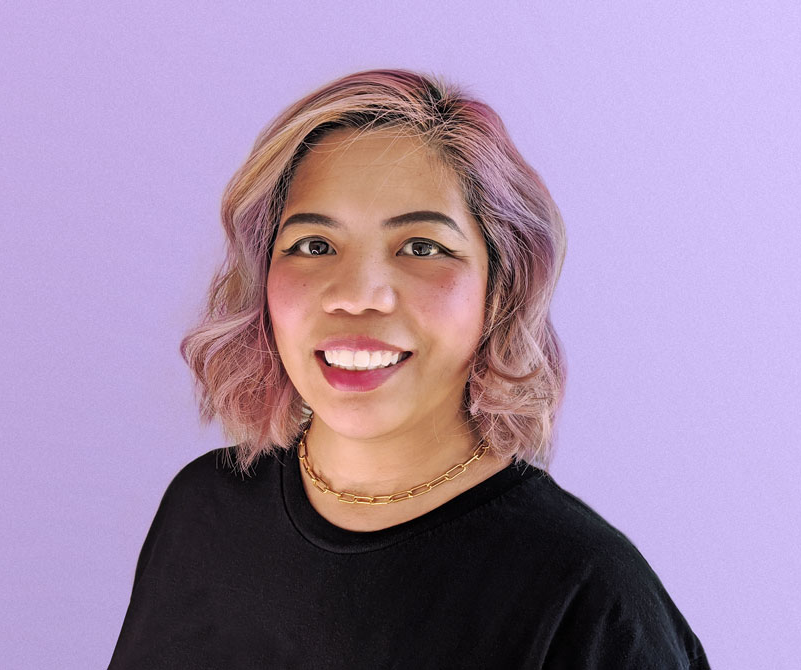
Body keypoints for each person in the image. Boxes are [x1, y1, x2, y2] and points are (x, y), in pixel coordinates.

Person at [108, 69, 709, 669]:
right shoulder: (204, 511)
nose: (358, 295)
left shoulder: (589, 599)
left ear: (500, 288)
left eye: (421, 247)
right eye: (314, 246)